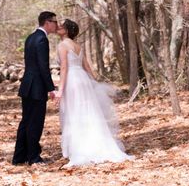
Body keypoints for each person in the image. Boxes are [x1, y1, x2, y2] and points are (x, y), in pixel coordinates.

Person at [56, 19, 133, 167]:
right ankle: (96, 143)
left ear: (66, 30)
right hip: (84, 80)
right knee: (89, 112)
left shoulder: (62, 45)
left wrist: (60, 89)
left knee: (75, 112)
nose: (58, 26)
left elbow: (64, 68)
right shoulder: (78, 46)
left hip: (72, 80)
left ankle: (81, 148)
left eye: (61, 25)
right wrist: (94, 83)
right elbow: (87, 67)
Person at [12, 11, 59, 165]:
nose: (56, 25)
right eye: (54, 22)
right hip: (36, 87)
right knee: (35, 123)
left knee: (26, 121)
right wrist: (51, 88)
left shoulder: (31, 37)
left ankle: (19, 157)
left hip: (28, 85)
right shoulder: (42, 40)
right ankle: (34, 157)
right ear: (47, 22)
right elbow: (43, 66)